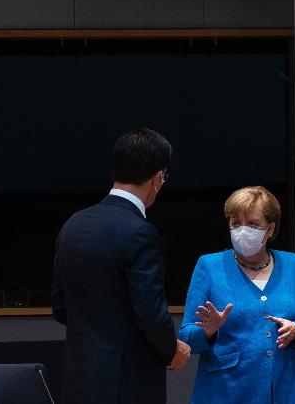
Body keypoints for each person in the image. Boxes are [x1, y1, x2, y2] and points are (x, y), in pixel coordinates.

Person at [51, 128, 190, 404]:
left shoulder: (73, 225)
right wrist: (171, 350)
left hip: (79, 380)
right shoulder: (139, 232)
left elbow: (60, 306)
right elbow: (151, 314)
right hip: (127, 384)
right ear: (158, 177)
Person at [179, 186, 295, 404]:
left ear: (270, 229)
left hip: (287, 389)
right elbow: (187, 336)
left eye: (253, 224)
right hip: (227, 391)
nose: (242, 230)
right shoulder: (209, 266)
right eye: (236, 223)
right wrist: (208, 332)